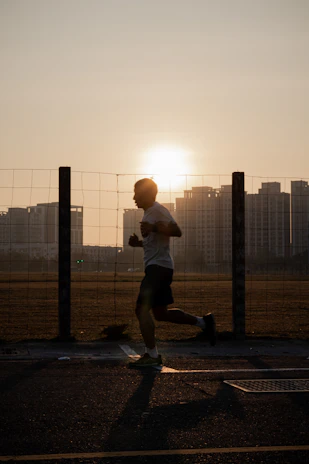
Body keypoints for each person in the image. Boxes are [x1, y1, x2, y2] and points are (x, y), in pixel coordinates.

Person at [128, 178, 216, 367]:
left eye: (137, 193)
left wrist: (153, 227)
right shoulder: (148, 214)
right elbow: (155, 242)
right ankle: (204, 323)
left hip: (158, 268)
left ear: (148, 194)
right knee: (160, 314)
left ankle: (152, 355)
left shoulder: (158, 210)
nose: (134, 197)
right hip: (159, 267)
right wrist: (139, 244)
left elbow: (176, 231)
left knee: (141, 309)